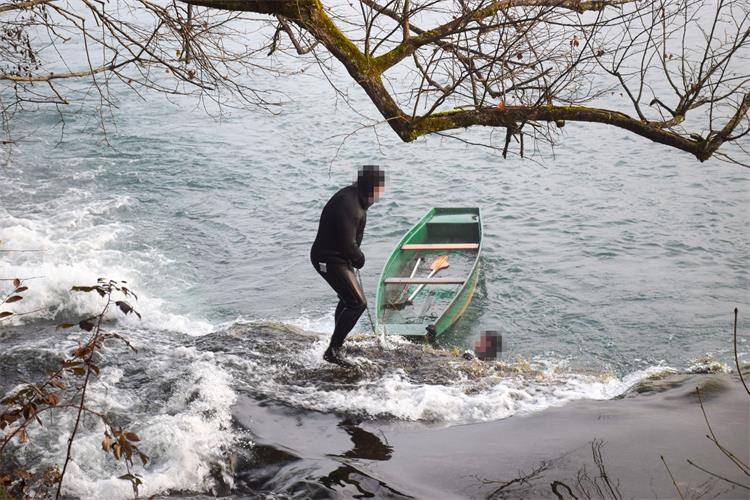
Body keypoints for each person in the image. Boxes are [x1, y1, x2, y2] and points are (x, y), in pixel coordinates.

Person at [310, 165, 385, 367]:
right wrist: (359, 257)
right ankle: (333, 351)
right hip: (328, 259)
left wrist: (354, 257)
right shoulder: (348, 204)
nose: (381, 193)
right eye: (379, 188)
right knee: (357, 303)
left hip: (339, 258)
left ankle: (337, 343)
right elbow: (346, 244)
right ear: (370, 187)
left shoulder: (357, 199)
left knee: (348, 299)